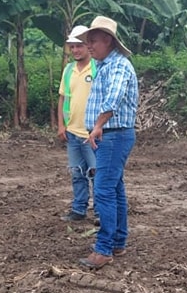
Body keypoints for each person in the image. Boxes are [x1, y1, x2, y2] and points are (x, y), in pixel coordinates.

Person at [76, 16, 138, 270]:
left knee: (102, 190)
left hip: (113, 135)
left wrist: (98, 126)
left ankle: (103, 249)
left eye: (93, 41)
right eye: (88, 41)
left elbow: (113, 98)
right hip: (112, 135)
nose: (89, 46)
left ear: (108, 40)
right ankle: (117, 242)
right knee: (114, 189)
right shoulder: (105, 65)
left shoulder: (118, 66)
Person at [57, 25, 98, 222]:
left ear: (88, 45)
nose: (75, 50)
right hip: (72, 131)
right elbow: (63, 98)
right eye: (72, 46)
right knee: (76, 172)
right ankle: (79, 209)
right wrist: (61, 125)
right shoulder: (68, 70)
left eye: (79, 46)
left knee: (96, 173)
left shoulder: (98, 67)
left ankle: (100, 212)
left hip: (91, 132)